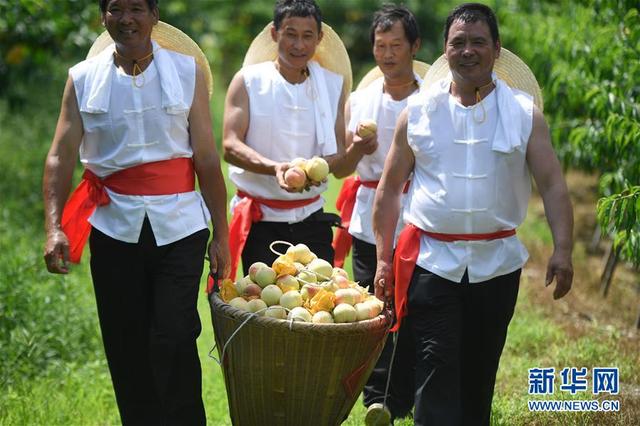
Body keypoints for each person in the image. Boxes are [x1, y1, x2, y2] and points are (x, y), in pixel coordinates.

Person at [372, 3, 574, 425]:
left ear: (496, 49)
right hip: (431, 263)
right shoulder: (419, 113)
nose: (468, 51)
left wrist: (563, 249)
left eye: (478, 41)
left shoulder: (523, 114)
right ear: (445, 52)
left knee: (479, 371)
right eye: (458, 42)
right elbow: (390, 189)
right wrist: (383, 258)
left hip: (497, 266)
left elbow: (553, 184)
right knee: (436, 366)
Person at [42, 0, 230, 424]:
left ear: (154, 15)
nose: (126, 19)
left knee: (175, 334)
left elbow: (205, 157)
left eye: (136, 8)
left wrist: (221, 232)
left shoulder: (187, 72)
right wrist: (54, 227)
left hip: (180, 224)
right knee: (125, 341)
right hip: (112, 227)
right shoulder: (82, 78)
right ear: (103, 17)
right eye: (115, 9)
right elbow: (60, 156)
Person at [329, 5, 423, 424]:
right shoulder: (360, 101)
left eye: (396, 46)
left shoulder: (431, 102)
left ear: (414, 47)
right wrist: (355, 151)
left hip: (419, 215)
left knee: (416, 303)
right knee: (371, 303)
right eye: (380, 46)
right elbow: (342, 168)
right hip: (369, 215)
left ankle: (409, 390)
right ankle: (375, 395)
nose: (387, 54)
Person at [222, 0, 353, 281]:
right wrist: (275, 168)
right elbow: (231, 146)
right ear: (274, 33)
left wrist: (319, 168)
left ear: (319, 39)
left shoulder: (333, 84)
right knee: (267, 310)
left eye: (308, 36)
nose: (299, 45)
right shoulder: (247, 81)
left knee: (318, 307)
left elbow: (340, 152)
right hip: (261, 220)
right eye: (290, 34)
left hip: (313, 217)